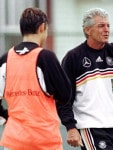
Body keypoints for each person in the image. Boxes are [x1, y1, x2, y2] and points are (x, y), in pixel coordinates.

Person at [57, 8, 113, 150]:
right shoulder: (74, 58)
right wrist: (70, 127)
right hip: (93, 127)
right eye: (101, 26)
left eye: (108, 26)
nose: (106, 29)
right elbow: (63, 97)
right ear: (88, 30)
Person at [0, 7, 72, 150]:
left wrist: (8, 117)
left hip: (14, 139)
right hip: (44, 141)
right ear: (42, 27)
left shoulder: (5, 59)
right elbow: (65, 95)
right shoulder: (46, 57)